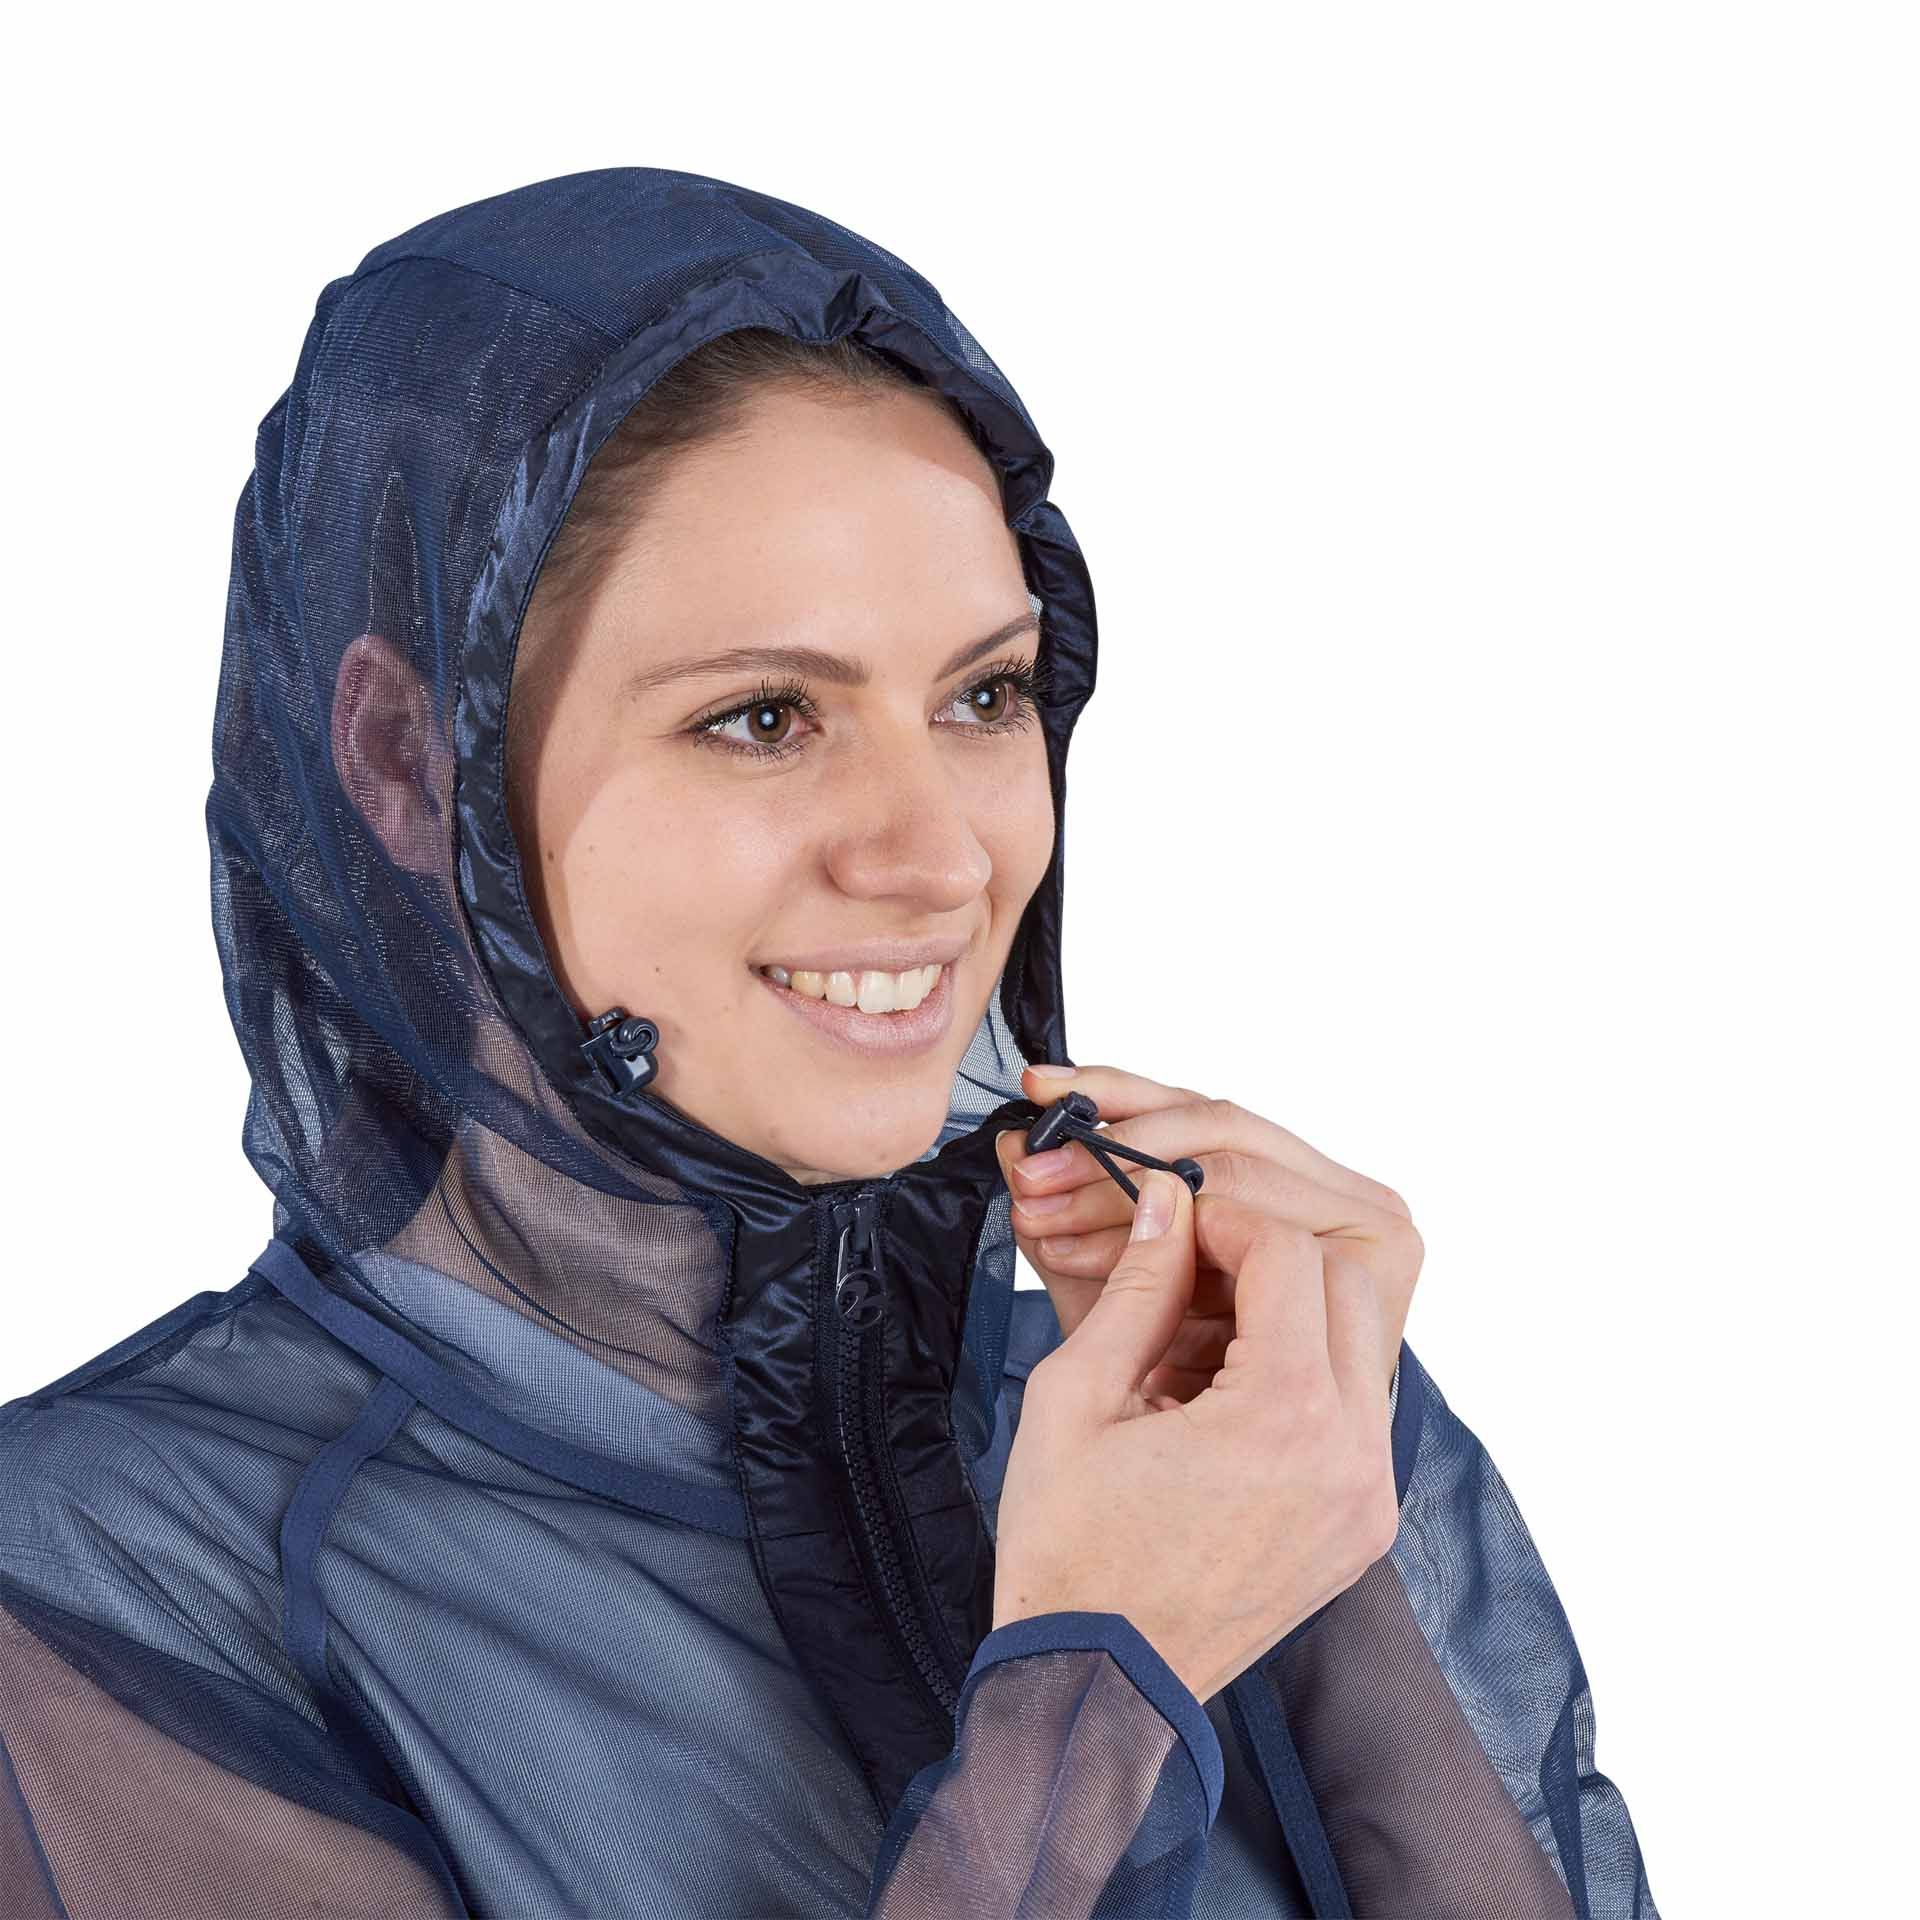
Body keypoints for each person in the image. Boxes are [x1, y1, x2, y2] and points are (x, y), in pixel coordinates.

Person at [0, 167, 1659, 1917]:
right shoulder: (106, 1596)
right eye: (764, 717)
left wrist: (1323, 1562)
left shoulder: (1217, 1434)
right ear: (408, 764)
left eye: (984, 696)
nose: (939, 858)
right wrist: (1098, 1685)